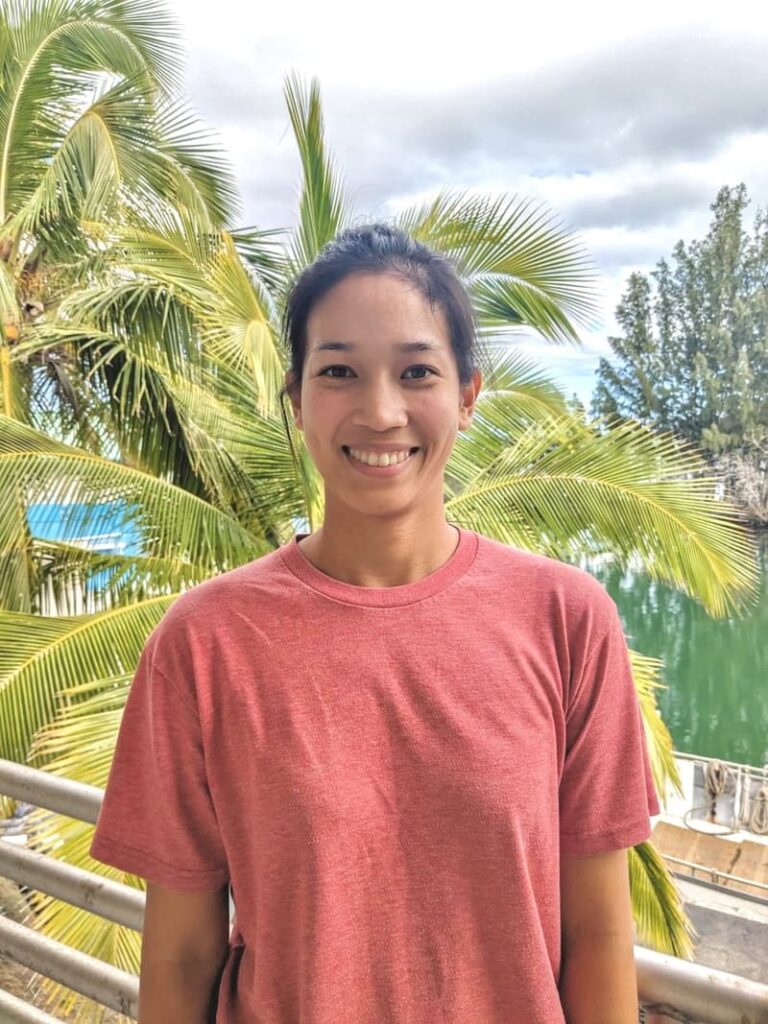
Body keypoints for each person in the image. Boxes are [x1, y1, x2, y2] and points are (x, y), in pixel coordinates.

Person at [89, 222, 660, 1024]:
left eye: (416, 371)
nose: (381, 410)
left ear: (467, 395)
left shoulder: (566, 620)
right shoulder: (204, 642)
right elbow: (182, 956)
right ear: (297, 402)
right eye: (339, 372)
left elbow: (598, 934)